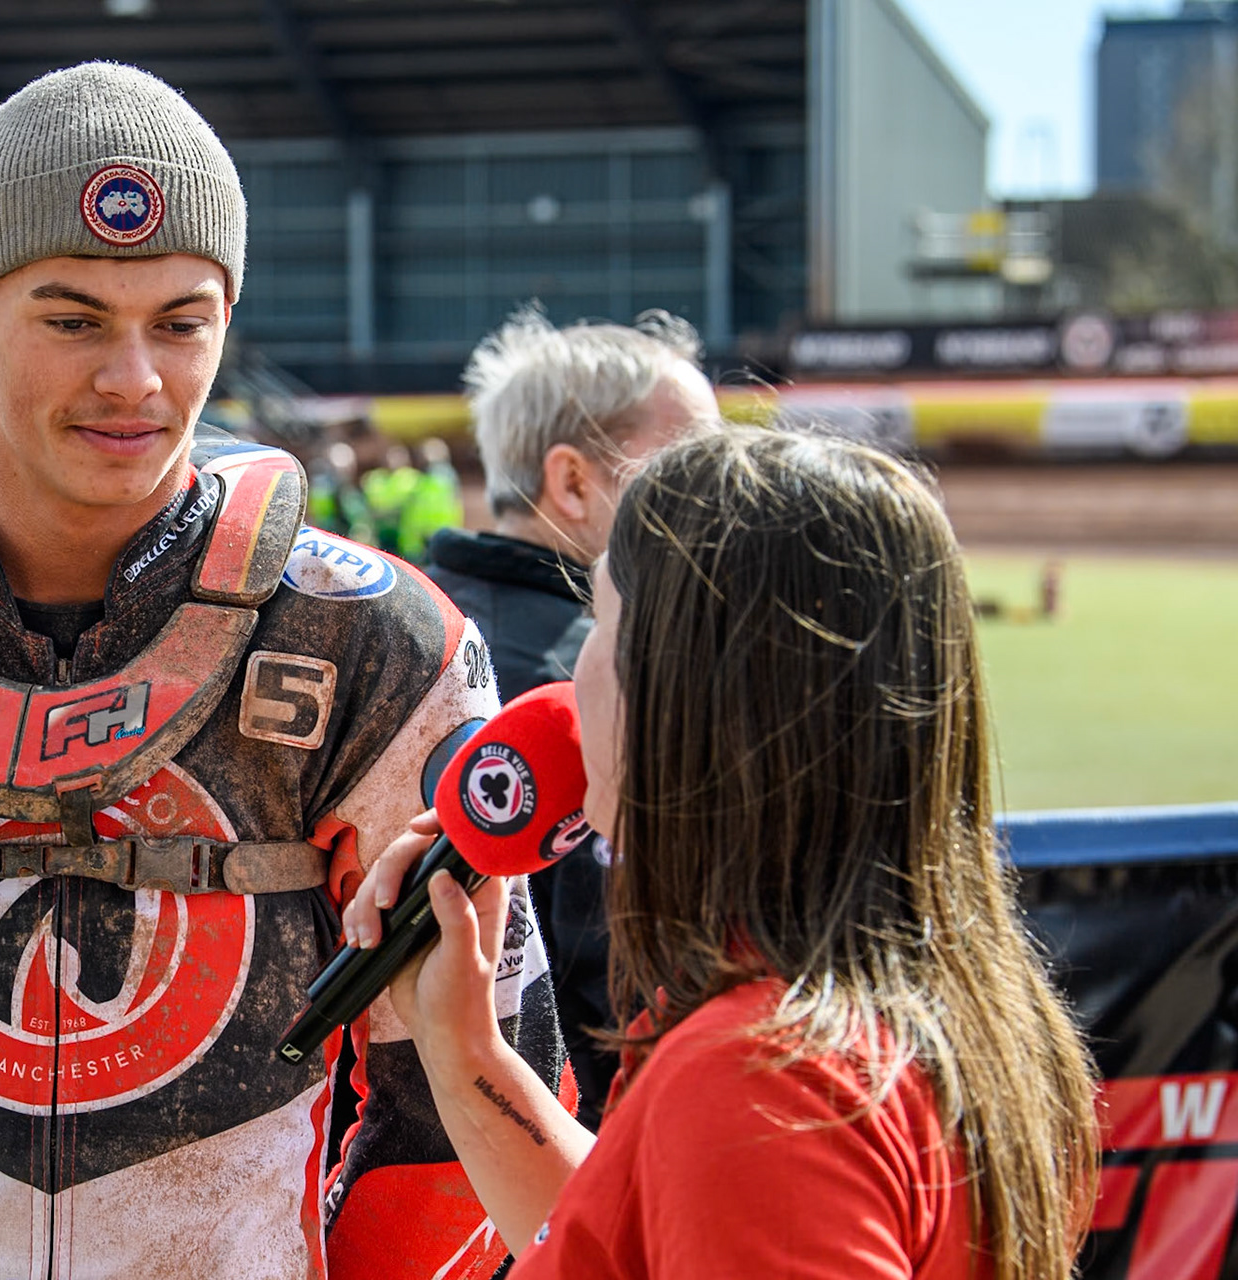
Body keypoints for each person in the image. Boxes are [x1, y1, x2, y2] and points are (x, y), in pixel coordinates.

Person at [0, 61, 569, 1280]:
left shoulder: (380, 645)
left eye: (182, 322)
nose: (135, 379)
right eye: (72, 320)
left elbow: (467, 1070)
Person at [348, 425, 1100, 1278]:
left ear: (686, 693)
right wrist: (463, 1051)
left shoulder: (764, 1083)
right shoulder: (904, 1005)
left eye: (600, 620)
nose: (568, 680)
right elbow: (624, 1243)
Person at [422, 307, 715, 1125]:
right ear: (574, 481)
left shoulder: (397, 626)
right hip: (569, 1175)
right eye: (688, 465)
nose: (720, 494)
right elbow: (619, 993)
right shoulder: (607, 681)